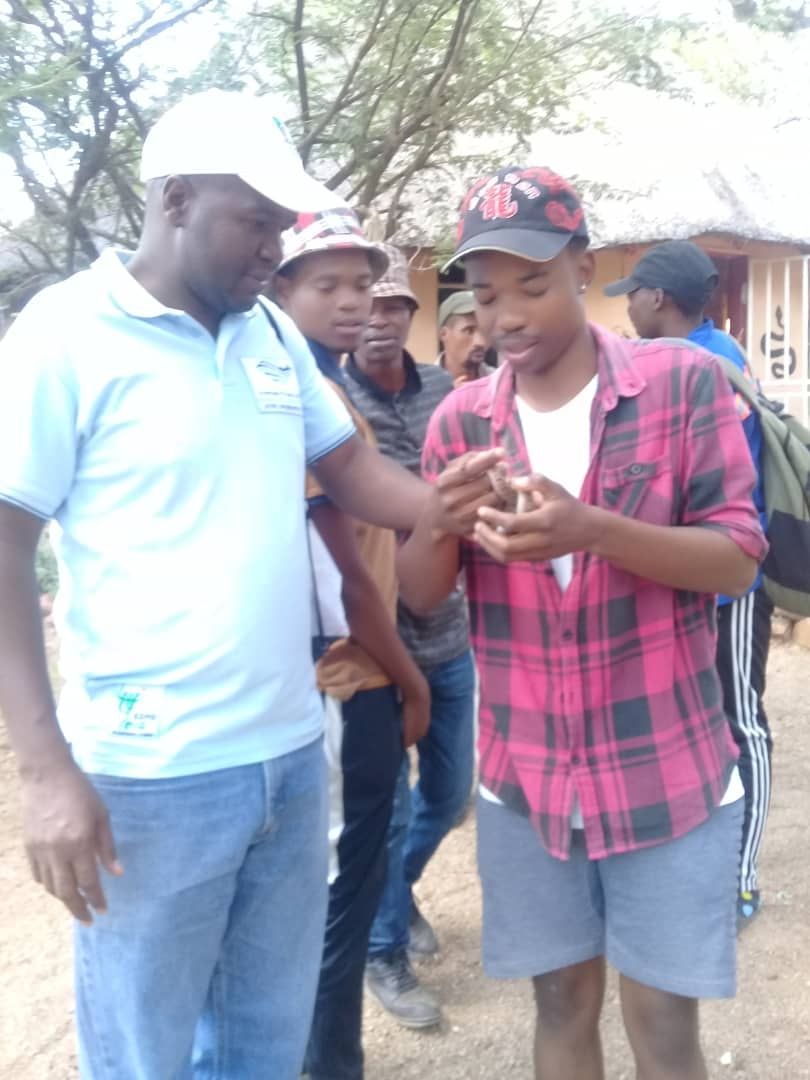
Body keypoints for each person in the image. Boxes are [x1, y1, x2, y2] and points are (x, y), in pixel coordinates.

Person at [0, 91, 461, 1080]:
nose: (272, 247)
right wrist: (44, 772)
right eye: (255, 221)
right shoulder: (63, 336)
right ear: (174, 200)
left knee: (261, 1046)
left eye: (279, 223)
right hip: (149, 778)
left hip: (289, 766)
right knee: (144, 1055)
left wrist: (449, 503)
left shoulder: (267, 335)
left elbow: (351, 473)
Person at [396, 165, 767, 1080]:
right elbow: (420, 595)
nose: (508, 316)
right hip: (527, 780)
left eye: (532, 284)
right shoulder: (459, 423)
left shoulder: (680, 386)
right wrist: (438, 521)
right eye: (484, 297)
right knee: (561, 1002)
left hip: (664, 769)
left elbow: (737, 555)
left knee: (662, 1018)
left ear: (583, 267)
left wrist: (591, 528)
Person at [274, 206, 431, 1080]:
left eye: (360, 285)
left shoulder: (316, 386)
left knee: (340, 895)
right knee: (336, 911)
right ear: (279, 288)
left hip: (344, 670)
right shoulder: (309, 400)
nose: (351, 304)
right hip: (345, 674)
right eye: (324, 285)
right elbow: (350, 581)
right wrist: (408, 680)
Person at [604, 239, 772, 927]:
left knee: (742, 721)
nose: (631, 308)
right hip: (689, 581)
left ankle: (741, 875)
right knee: (695, 726)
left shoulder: (705, 363)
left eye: (635, 295)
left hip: (726, 589)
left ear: (659, 299)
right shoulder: (696, 354)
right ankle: (694, 864)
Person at [344, 248, 476, 1029]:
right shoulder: (335, 404)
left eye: (396, 304)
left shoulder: (442, 395)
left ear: (411, 317)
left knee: (449, 792)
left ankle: (398, 889)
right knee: (388, 809)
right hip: (373, 643)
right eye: (370, 302)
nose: (381, 317)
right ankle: (382, 950)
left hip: (449, 631)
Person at [437, 290, 490, 385]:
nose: (481, 342)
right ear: (443, 334)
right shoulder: (419, 386)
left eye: (484, 331)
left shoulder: (502, 384)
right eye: (469, 331)